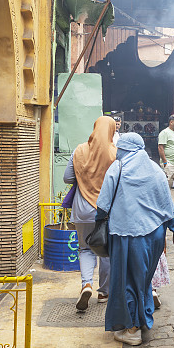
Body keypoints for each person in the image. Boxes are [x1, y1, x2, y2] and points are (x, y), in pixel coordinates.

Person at [96, 133, 174, 345]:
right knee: (143, 280)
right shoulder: (155, 169)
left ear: (125, 148)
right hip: (154, 236)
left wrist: (99, 225)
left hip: (127, 234)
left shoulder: (117, 168)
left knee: (126, 280)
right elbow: (167, 205)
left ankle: (133, 330)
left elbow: (102, 206)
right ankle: (142, 318)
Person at [63, 116, 115, 311]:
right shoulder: (114, 153)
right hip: (104, 210)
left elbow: (68, 177)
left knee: (85, 249)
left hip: (82, 210)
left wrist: (84, 176)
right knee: (105, 251)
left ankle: (86, 284)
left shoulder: (79, 150)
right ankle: (104, 292)